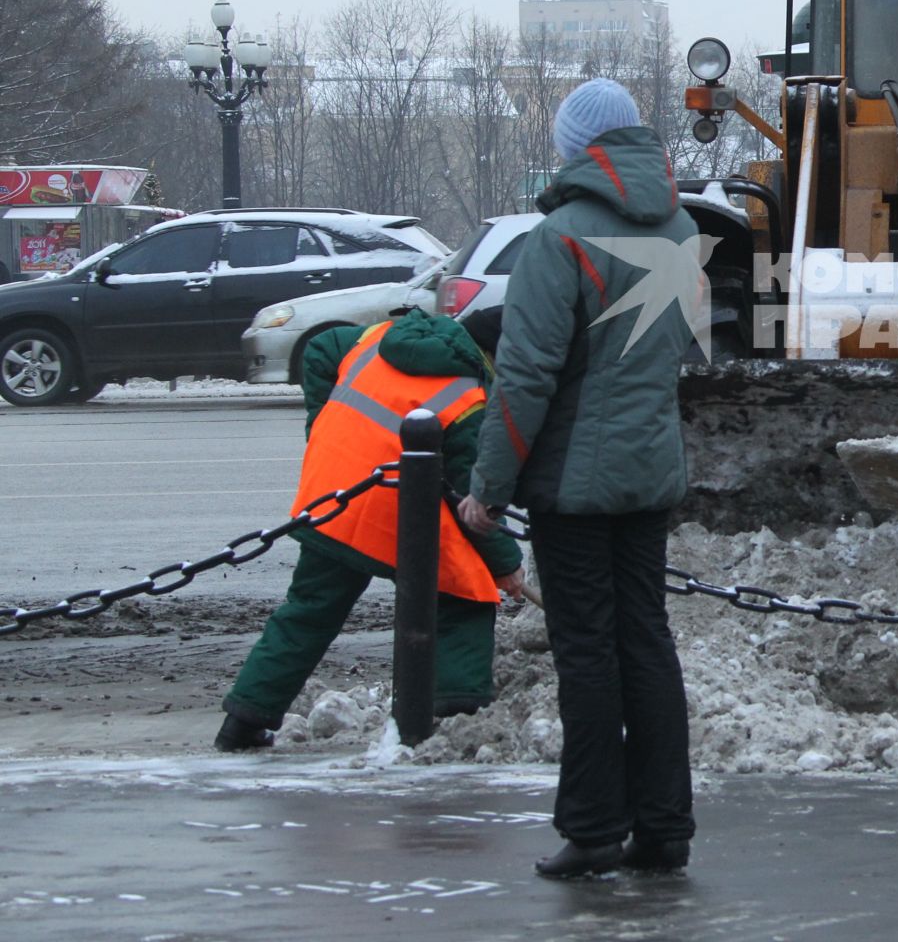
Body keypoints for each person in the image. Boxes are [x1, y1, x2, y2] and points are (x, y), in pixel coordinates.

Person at [460, 77, 702, 880]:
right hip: (649, 472)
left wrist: (488, 485)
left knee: (587, 653)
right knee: (648, 642)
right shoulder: (680, 227)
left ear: (573, 151)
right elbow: (681, 353)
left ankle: (595, 828)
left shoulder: (558, 238)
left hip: (571, 482)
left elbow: (524, 377)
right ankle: (665, 829)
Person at [215, 307, 524, 752]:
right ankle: (459, 718)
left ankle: (243, 721)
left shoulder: (380, 335)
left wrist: (326, 428)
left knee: (308, 611)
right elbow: (469, 498)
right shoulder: (470, 397)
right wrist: (506, 565)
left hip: (334, 495)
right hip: (397, 508)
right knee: (463, 597)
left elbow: (320, 350)